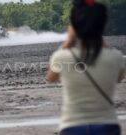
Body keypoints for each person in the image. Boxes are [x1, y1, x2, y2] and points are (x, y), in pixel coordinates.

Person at [47, 0, 125, 135]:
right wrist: (99, 36)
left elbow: (51, 78)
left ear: (74, 27)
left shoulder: (61, 57)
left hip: (72, 126)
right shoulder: (116, 57)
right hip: (107, 126)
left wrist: (68, 42)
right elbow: (119, 78)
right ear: (103, 26)